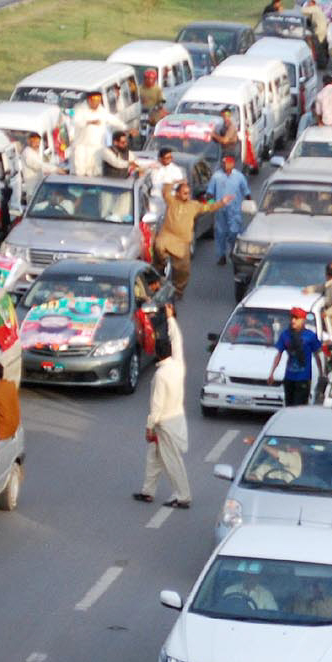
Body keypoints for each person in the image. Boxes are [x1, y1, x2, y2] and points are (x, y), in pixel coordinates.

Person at [134, 310, 190, 508]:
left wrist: (150, 427)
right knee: (155, 458)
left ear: (157, 353)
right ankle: (147, 491)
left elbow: (156, 406)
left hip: (164, 424)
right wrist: (170, 319)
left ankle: (183, 496)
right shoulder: (178, 366)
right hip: (175, 420)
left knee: (172, 461)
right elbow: (178, 342)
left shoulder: (160, 376)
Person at [153, 181, 229, 298]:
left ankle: (178, 291)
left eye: (188, 193)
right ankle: (161, 268)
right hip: (167, 236)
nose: (186, 195)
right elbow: (165, 191)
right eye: (184, 193)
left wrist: (221, 202)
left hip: (182, 242)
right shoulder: (172, 201)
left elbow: (208, 207)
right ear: (177, 194)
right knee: (158, 245)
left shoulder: (194, 205)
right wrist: (175, 182)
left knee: (183, 271)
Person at [269, 307, 326, 406]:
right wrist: (272, 373)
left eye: (296, 318)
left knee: (300, 406)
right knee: (289, 405)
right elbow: (279, 354)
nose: (293, 321)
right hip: (289, 378)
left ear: (303, 320)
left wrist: (321, 374)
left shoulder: (310, 336)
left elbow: (318, 355)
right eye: (292, 318)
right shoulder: (285, 335)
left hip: (303, 378)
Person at [204, 154, 251, 268]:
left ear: (233, 164)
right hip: (220, 210)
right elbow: (210, 193)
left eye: (229, 163)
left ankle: (233, 251)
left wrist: (250, 203)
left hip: (235, 211)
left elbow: (246, 192)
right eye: (224, 163)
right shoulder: (217, 176)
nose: (226, 165)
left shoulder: (239, 177)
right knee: (220, 233)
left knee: (235, 232)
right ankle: (221, 256)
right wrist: (211, 205)